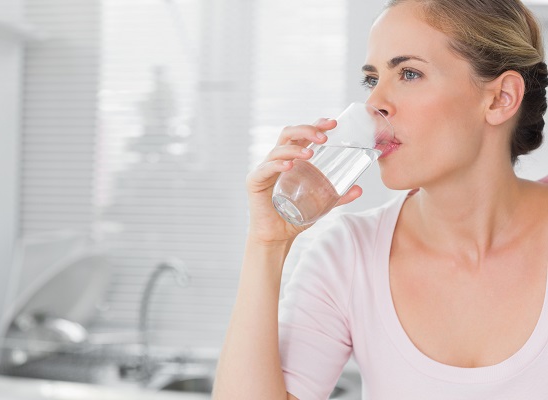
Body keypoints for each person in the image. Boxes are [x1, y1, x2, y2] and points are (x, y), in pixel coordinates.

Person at [212, 0, 548, 398]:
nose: (375, 104)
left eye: (409, 73)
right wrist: (267, 245)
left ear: (500, 99)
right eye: (372, 80)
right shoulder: (349, 253)